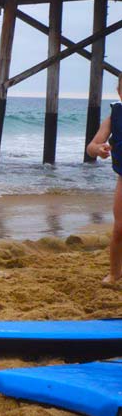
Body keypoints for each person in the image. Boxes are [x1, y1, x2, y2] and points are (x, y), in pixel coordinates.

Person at [85, 74, 122, 284]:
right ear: (119, 92)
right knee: (119, 230)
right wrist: (98, 149)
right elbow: (91, 147)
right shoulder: (114, 117)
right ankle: (115, 272)